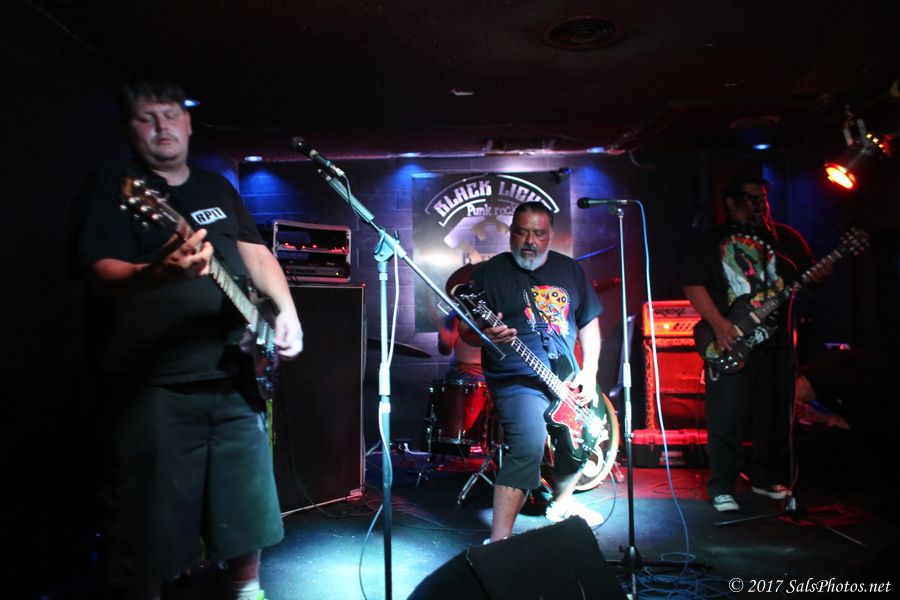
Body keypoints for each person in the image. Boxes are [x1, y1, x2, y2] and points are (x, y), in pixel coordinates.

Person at [68, 79, 302, 600]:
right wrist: (160, 273)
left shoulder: (216, 187)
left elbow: (256, 254)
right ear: (129, 129)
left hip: (234, 374)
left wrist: (287, 312)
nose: (162, 127)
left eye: (170, 115)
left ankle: (247, 591)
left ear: (189, 122)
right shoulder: (117, 185)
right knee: (146, 520)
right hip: (152, 382)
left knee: (248, 502)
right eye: (147, 118)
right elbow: (98, 270)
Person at [681, 173, 830, 513]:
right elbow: (692, 283)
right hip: (731, 339)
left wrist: (822, 274)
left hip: (777, 344)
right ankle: (722, 485)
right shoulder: (713, 240)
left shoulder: (785, 239)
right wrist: (720, 325)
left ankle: (765, 477)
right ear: (731, 202)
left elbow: (807, 278)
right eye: (752, 198)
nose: (760, 204)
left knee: (775, 416)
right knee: (727, 416)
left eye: (763, 198)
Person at [459, 201, 604, 542]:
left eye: (538, 234)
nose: (530, 241)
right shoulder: (491, 272)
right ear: (511, 232)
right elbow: (466, 329)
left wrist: (590, 370)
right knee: (528, 446)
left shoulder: (570, 270)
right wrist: (484, 333)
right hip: (516, 378)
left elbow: (588, 322)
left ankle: (561, 504)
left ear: (550, 235)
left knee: (583, 440)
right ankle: (498, 543)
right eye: (522, 232)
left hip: (566, 379)